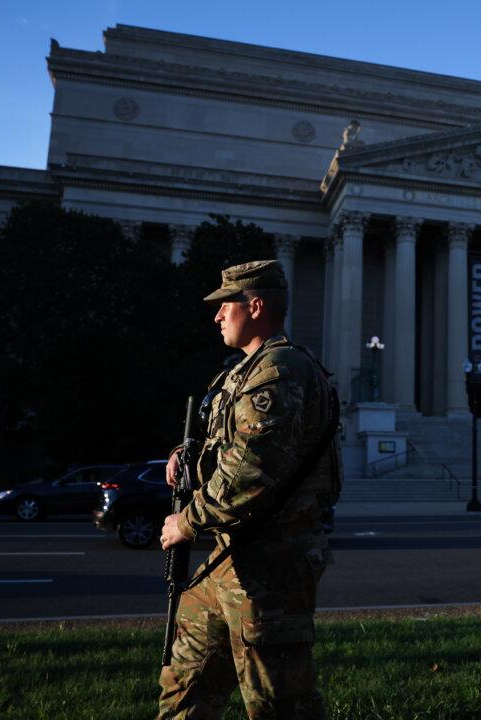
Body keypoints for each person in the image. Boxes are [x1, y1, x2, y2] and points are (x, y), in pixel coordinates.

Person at [157, 260, 340, 720]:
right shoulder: (242, 372)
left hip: (271, 566)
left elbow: (252, 468)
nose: (216, 316)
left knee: (279, 702)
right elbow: (231, 444)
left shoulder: (279, 371)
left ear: (254, 306)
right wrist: (187, 455)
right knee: (185, 685)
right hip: (228, 560)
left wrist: (187, 521)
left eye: (225, 306)